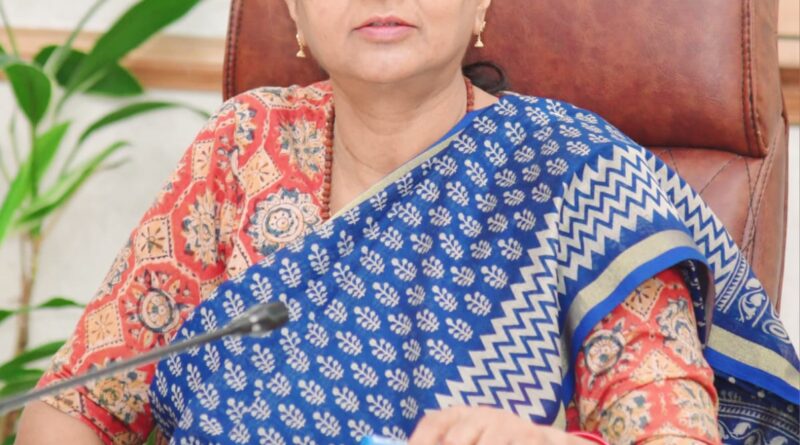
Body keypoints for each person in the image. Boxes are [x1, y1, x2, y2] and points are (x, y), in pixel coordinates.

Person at [15, 1, 800, 444]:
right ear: (294, 12)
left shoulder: (580, 179)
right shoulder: (240, 147)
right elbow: (76, 404)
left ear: (481, 3)